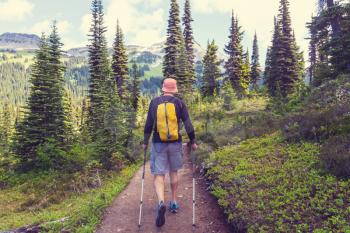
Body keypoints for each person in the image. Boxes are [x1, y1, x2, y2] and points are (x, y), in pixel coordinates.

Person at [143, 77, 198, 227]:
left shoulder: (154, 103)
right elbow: (188, 124)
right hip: (175, 142)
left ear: (163, 88)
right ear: (174, 89)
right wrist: (193, 141)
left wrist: (144, 142)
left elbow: (149, 124)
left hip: (158, 143)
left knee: (159, 174)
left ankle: (161, 202)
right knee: (174, 171)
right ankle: (173, 201)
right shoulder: (179, 103)